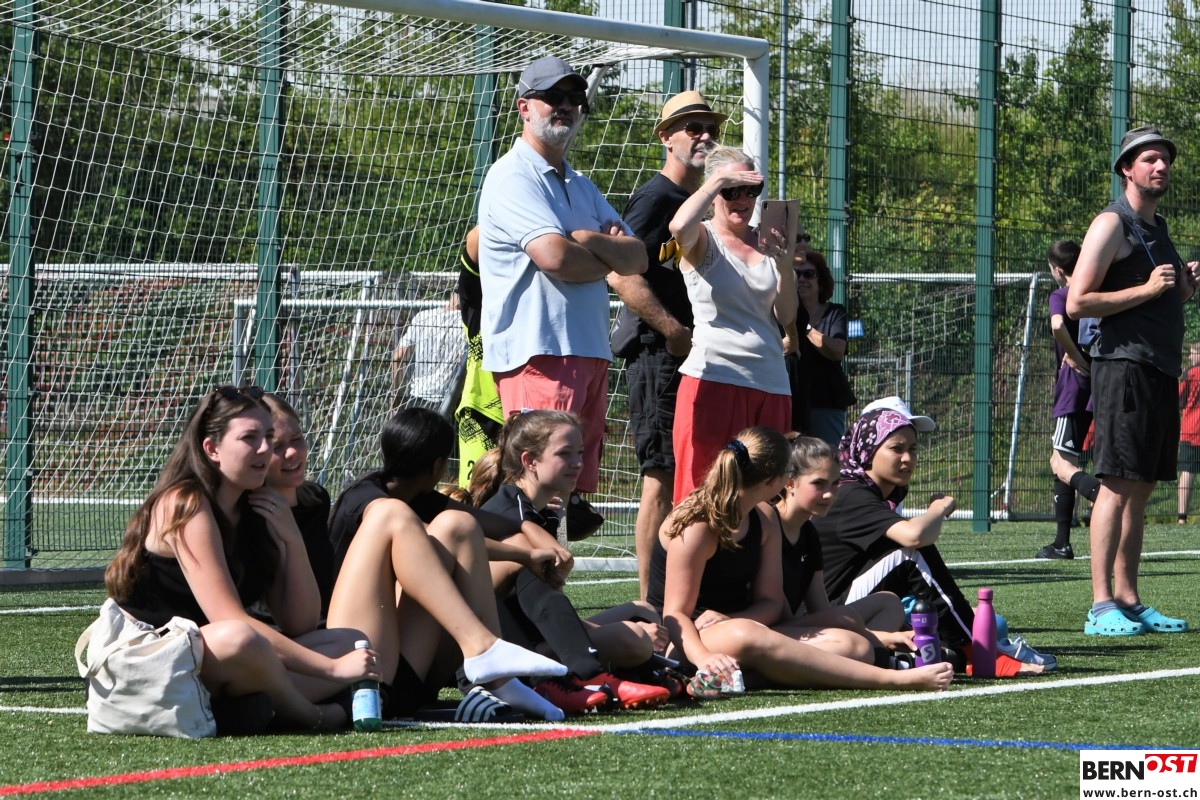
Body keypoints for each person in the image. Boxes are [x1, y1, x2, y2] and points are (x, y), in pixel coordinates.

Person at [104, 385, 378, 732]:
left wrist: (291, 538)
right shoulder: (185, 504)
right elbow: (229, 619)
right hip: (153, 663)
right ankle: (309, 715)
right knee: (240, 637)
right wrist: (333, 670)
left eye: (268, 437)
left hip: (213, 663)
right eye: (250, 438)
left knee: (350, 641)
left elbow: (301, 623)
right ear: (212, 449)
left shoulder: (254, 506)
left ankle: (246, 708)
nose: (265, 448)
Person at [647, 426, 953, 695]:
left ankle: (740, 677)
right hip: (684, 641)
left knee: (855, 646)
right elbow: (674, 615)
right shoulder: (699, 522)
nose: (829, 493)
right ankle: (892, 679)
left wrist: (735, 618)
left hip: (741, 629)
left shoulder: (764, 518)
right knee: (747, 634)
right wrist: (704, 658)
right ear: (780, 480)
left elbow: (771, 604)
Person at [477, 55, 647, 539]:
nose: (566, 105)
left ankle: (545, 581)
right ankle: (510, 583)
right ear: (523, 107)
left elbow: (638, 258)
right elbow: (554, 256)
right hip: (539, 352)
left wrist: (586, 240)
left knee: (564, 496)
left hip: (587, 351)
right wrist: (605, 252)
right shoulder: (511, 176)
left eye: (574, 97)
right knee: (533, 490)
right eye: (553, 96)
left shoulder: (580, 183)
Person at [325, 407, 573, 722]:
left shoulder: (416, 493)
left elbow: (494, 523)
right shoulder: (367, 498)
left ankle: (498, 677)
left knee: (459, 525)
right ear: (438, 466)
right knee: (396, 517)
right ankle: (484, 646)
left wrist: (533, 534)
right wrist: (523, 556)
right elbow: (413, 537)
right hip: (359, 663)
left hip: (404, 671)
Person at [1066, 125, 1198, 636]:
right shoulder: (1111, 223)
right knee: (1116, 487)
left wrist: (1182, 289)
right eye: (1149, 159)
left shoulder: (1157, 226)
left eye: (1165, 160)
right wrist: (1146, 289)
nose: (1161, 166)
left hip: (1158, 369)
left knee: (1139, 489)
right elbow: (1078, 302)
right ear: (1126, 168)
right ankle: (1101, 605)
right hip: (1124, 368)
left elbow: (1159, 295)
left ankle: (1128, 599)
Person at [813, 402, 1055, 675]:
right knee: (912, 554)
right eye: (896, 448)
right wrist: (939, 508)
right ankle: (978, 652)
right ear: (868, 450)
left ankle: (956, 648)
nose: (908, 458)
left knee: (910, 611)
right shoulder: (852, 494)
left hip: (851, 608)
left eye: (913, 449)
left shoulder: (864, 492)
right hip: (824, 613)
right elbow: (915, 536)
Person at [469, 410, 674, 713]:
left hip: (533, 638)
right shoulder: (511, 514)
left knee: (641, 613)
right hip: (504, 648)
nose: (578, 462)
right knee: (633, 639)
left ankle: (646, 670)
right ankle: (589, 676)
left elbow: (546, 613)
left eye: (580, 452)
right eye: (565, 454)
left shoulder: (540, 513)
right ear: (530, 461)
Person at [608, 90, 724, 601]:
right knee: (660, 473)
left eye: (710, 127)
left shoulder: (703, 202)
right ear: (665, 138)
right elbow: (620, 272)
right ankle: (649, 602)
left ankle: (687, 589)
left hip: (695, 353)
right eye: (691, 127)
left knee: (696, 469)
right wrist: (673, 330)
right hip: (659, 353)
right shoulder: (656, 199)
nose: (704, 136)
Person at [667, 145, 796, 502]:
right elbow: (678, 226)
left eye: (751, 190)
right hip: (714, 379)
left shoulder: (769, 242)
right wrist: (717, 181)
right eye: (731, 190)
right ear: (713, 192)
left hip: (771, 382)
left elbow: (786, 317)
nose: (742, 199)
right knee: (700, 496)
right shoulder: (702, 237)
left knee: (767, 500)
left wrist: (785, 267)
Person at [773, 433, 913, 665]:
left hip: (798, 628)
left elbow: (820, 608)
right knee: (850, 637)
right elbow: (779, 616)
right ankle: (877, 655)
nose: (829, 493)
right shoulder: (769, 525)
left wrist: (867, 632)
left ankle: (875, 653)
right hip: (769, 631)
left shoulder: (808, 533)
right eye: (819, 484)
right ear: (789, 483)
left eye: (835, 483)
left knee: (889, 603)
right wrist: (878, 636)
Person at [1037, 240, 1101, 560]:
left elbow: (1058, 324)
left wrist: (1074, 356)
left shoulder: (1062, 295)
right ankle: (1062, 541)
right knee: (1070, 461)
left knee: (1061, 462)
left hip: (1074, 387)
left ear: (1058, 270)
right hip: (1099, 384)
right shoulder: (1095, 293)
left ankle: (1099, 497)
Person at [262, 393, 334, 618]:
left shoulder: (317, 499)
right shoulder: (248, 513)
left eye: (296, 439)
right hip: (285, 630)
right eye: (277, 446)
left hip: (330, 620)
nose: (292, 452)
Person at [453, 226, 505, 488]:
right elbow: (475, 238)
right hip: (483, 413)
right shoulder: (478, 303)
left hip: (529, 413)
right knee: (476, 497)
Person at [790, 249, 855, 446]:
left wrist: (805, 327)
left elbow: (837, 351)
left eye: (809, 274)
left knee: (827, 456)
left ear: (821, 281)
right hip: (790, 399)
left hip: (826, 402)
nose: (802, 279)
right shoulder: (782, 314)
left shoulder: (835, 313)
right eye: (796, 274)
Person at [392, 293, 465, 416]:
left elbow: (398, 356)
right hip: (448, 400)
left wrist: (396, 393)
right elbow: (462, 363)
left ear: (452, 293)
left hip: (417, 397)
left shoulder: (423, 317)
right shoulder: (467, 324)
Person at [1177, 342, 1200, 523]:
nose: (1191, 356)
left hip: (1191, 429)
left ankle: (1182, 516)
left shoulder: (1190, 373)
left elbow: (1179, 399)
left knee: (1187, 472)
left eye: (1193, 353)